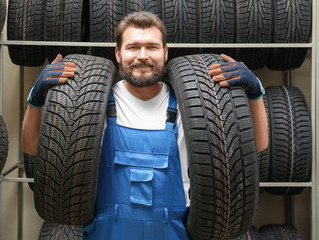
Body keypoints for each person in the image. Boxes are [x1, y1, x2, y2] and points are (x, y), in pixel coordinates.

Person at [22, 11, 268, 240]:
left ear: (165, 52)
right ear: (118, 53)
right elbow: (32, 148)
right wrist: (36, 98)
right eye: (133, 47)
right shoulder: (91, 103)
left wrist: (255, 93)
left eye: (152, 47)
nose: (142, 56)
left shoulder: (192, 105)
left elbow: (257, 145)